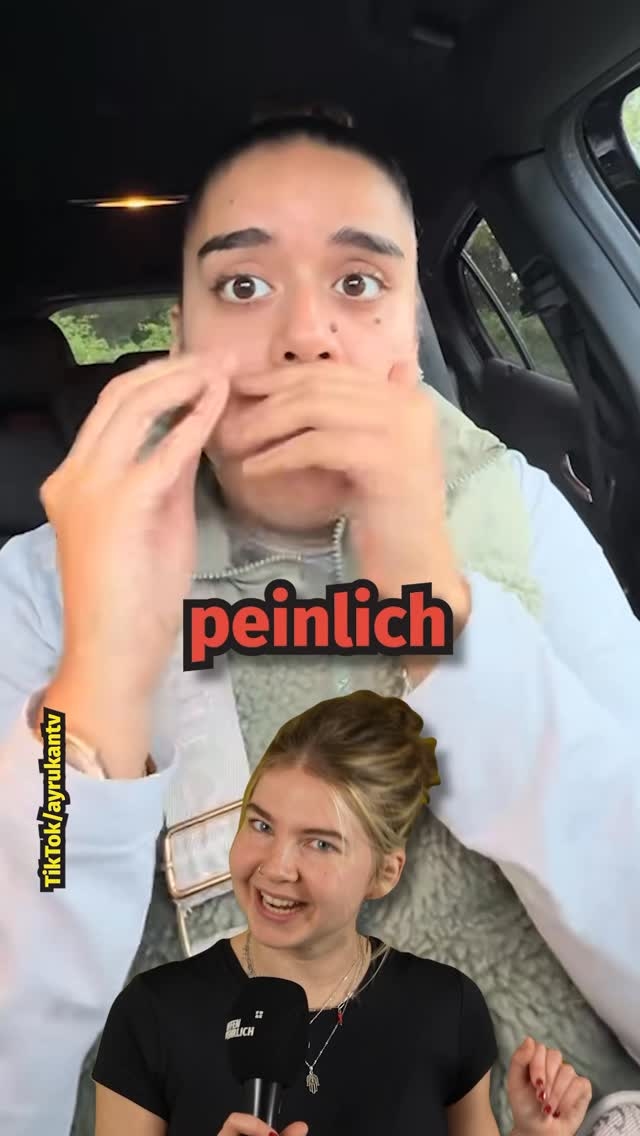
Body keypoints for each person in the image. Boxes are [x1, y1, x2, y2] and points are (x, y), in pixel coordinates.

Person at [0, 106, 639, 1136]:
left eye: (358, 282)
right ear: (178, 343)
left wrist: (439, 617)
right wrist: (102, 678)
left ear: (408, 338)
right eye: (243, 285)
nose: (304, 333)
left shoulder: (510, 510)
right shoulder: (44, 580)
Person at [92, 691, 593, 1136]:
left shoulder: (447, 1010)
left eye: (320, 844)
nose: (276, 868)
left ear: (384, 873)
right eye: (261, 826)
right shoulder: (151, 1016)